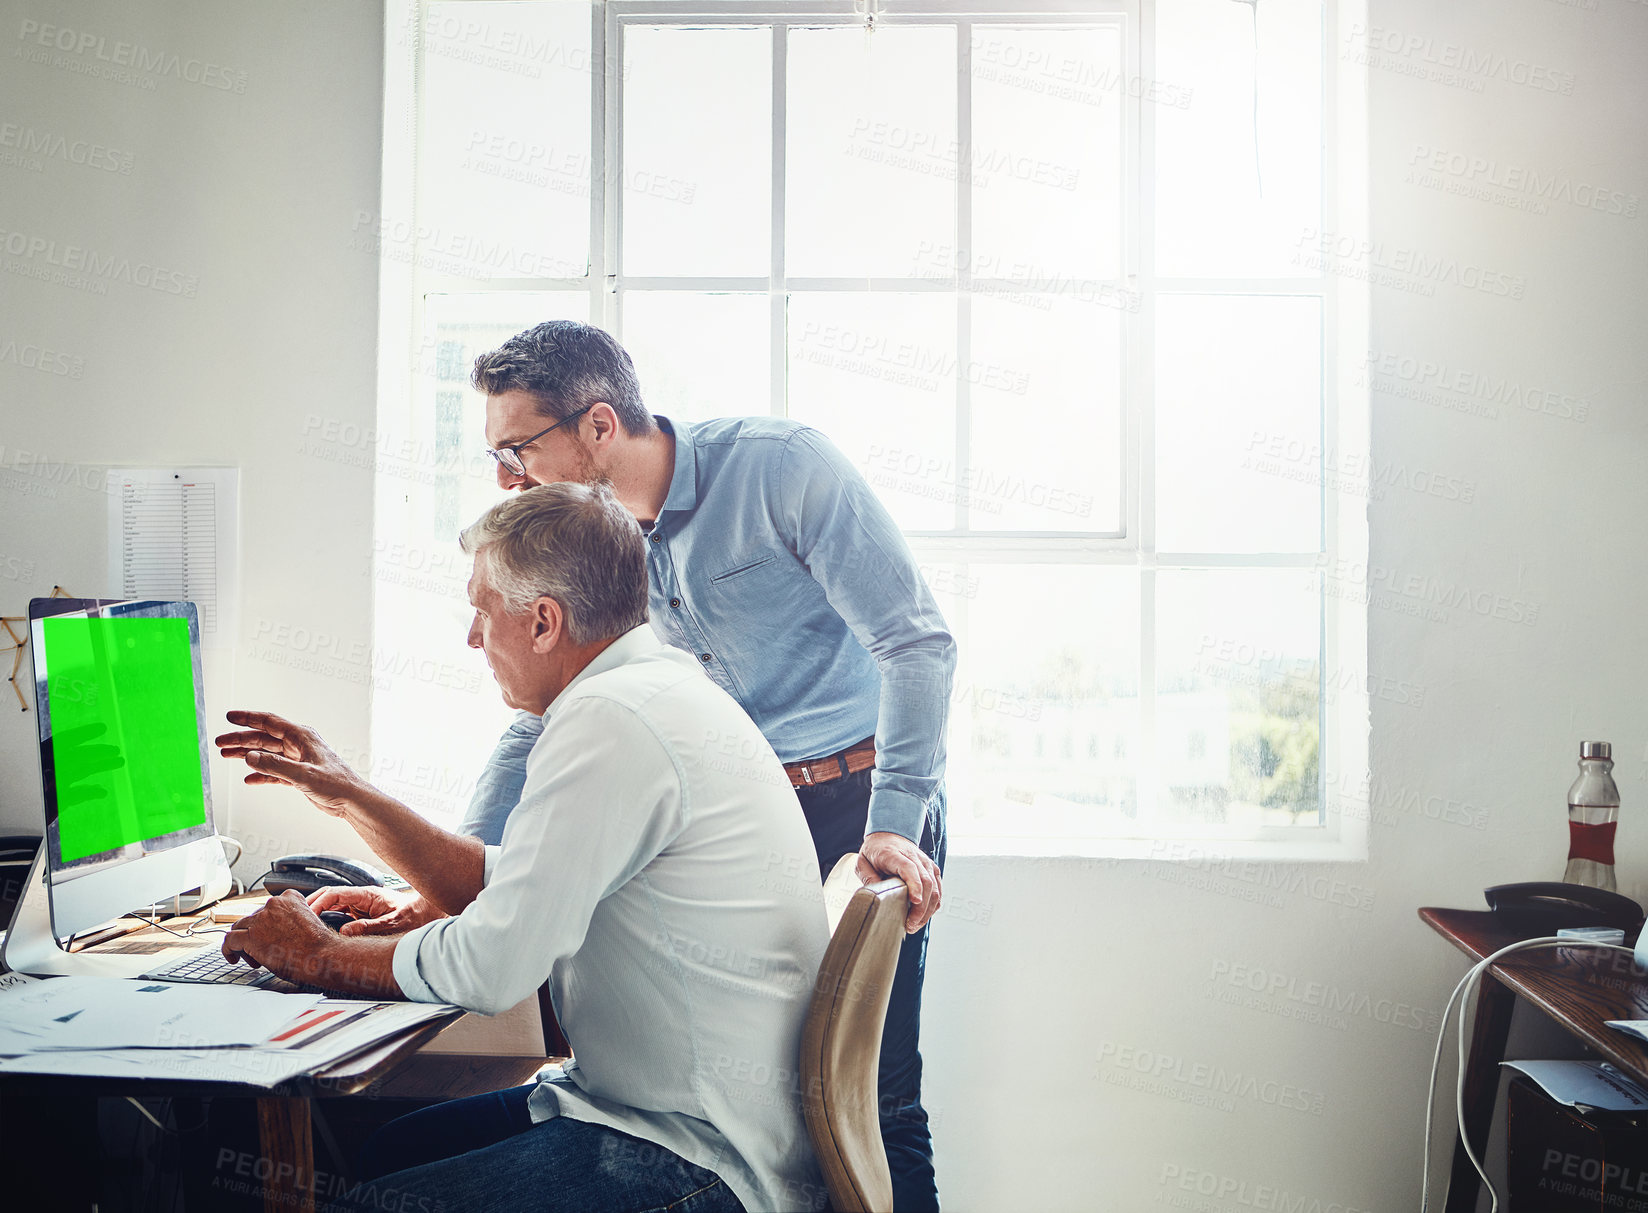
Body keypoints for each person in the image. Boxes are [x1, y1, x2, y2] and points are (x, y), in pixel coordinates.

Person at [215, 482, 830, 1213]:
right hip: (677, 1118)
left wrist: (315, 954)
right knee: (381, 1151)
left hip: (694, 1156)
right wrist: (352, 794)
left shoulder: (609, 720)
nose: (472, 637)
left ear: (543, 622)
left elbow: (493, 966)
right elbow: (529, 880)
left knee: (361, 1198)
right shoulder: (654, 687)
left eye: (482, 609)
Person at [460, 320, 955, 1210]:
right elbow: (546, 711)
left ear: (599, 427)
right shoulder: (601, 554)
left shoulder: (781, 468)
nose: (507, 479)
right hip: (758, 822)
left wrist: (892, 826)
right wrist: (457, 858)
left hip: (864, 805)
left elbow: (916, 642)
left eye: (518, 451)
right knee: (770, 1099)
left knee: (874, 1103)